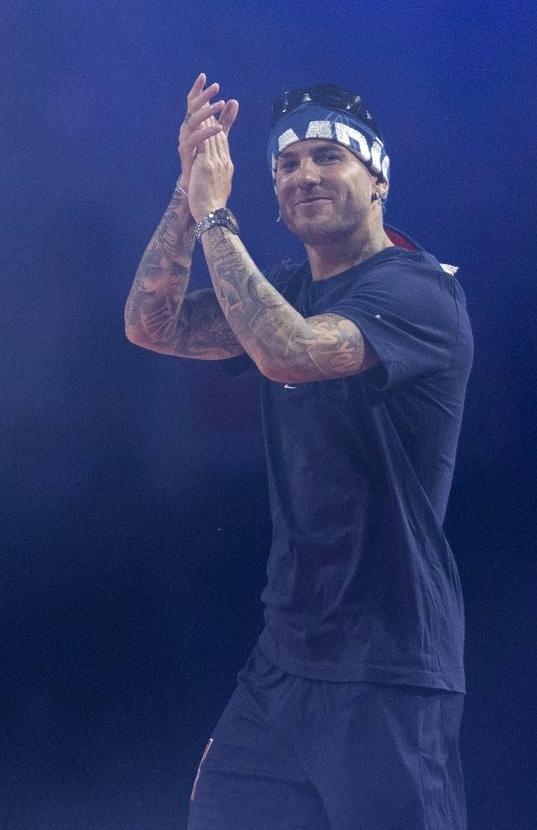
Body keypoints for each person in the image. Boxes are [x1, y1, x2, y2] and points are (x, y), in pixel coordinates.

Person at [125, 73, 474, 830]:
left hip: (388, 669)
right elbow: (151, 323)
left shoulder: (419, 294)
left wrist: (215, 212)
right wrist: (187, 196)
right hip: (283, 665)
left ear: (377, 175)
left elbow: (289, 351)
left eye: (327, 156)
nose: (303, 174)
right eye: (286, 164)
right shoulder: (287, 287)